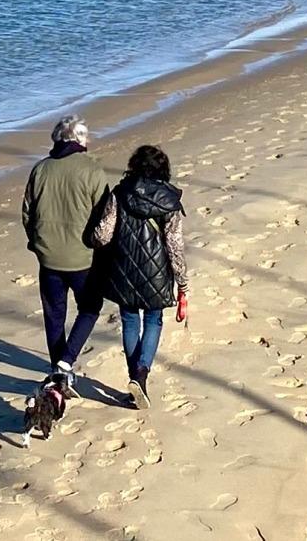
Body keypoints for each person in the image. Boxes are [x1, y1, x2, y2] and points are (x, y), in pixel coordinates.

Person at [22, 116, 118, 411]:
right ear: (80, 139)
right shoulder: (91, 170)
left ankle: (59, 371)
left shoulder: (40, 169)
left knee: (54, 316)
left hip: (49, 257)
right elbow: (106, 215)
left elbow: (28, 213)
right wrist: (104, 248)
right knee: (90, 307)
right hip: (82, 257)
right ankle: (65, 363)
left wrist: (36, 243)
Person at [86, 144, 189, 411]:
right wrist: (182, 283)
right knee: (153, 320)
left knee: (130, 321)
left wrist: (88, 237)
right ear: (163, 169)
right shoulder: (170, 200)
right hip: (158, 276)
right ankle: (141, 374)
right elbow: (174, 245)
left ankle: (136, 381)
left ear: (134, 165)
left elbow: (102, 235)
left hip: (123, 271)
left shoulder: (119, 193)